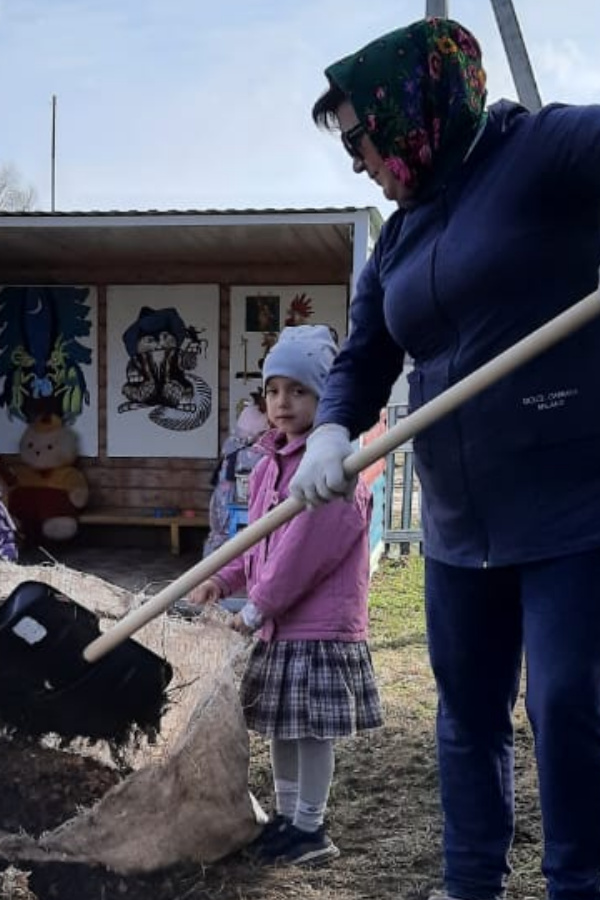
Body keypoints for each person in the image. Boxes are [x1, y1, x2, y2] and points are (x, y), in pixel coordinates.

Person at [288, 17, 600, 900]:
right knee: (467, 707)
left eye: (360, 137)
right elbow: (365, 355)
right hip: (466, 515)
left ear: (411, 109)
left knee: (563, 697)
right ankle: (470, 885)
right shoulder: (400, 236)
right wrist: (332, 429)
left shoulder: (542, 148)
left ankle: (577, 885)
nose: (356, 161)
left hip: (587, 491)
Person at [187, 325, 383, 868]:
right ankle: (287, 817)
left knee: (311, 734)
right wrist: (224, 579)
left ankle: (311, 828)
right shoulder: (269, 465)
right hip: (280, 625)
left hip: (317, 629)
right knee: (282, 727)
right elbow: (256, 543)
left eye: (299, 391)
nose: (282, 402)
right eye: (273, 390)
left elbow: (300, 558)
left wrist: (255, 610)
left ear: (327, 399)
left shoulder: (336, 473)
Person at [203, 393, 269, 558]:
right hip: (233, 489)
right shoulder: (256, 415)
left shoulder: (252, 416)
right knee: (224, 532)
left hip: (233, 481)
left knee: (221, 532)